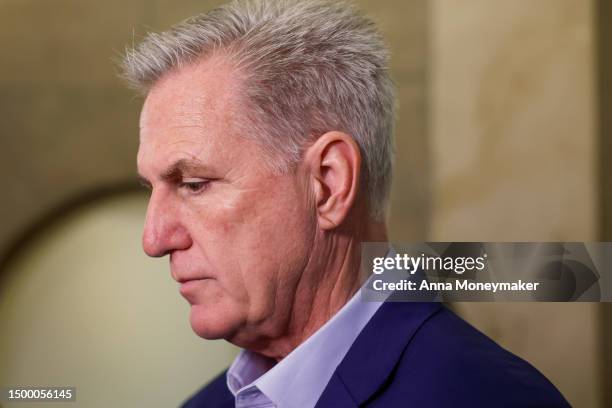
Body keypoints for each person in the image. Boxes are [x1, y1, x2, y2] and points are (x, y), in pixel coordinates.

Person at [122, 0, 570, 406]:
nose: (154, 239)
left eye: (195, 184)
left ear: (329, 183)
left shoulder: (491, 398)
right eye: (152, 189)